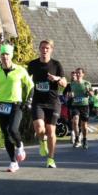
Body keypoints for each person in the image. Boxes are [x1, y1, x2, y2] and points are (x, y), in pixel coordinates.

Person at [0, 43, 34, 173]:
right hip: (2, 104)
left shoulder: (20, 70)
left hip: (16, 104)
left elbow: (30, 85)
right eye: (2, 54)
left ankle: (19, 145)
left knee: (13, 130)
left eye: (7, 54)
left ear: (11, 55)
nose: (5, 56)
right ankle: (13, 162)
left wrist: (28, 100)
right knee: (6, 135)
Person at [26, 39, 67, 168]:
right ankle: (41, 141)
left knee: (51, 131)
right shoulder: (33, 64)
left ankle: (51, 159)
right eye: (42, 48)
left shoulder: (56, 65)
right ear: (39, 49)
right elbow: (25, 79)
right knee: (39, 128)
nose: (44, 50)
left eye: (47, 48)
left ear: (51, 50)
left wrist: (57, 79)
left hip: (53, 102)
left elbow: (65, 83)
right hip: (38, 102)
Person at [66, 69, 92, 149]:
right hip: (75, 105)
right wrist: (70, 95)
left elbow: (91, 94)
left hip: (84, 105)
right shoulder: (72, 84)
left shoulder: (87, 83)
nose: (77, 74)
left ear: (83, 74)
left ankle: (84, 140)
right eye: (76, 73)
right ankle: (77, 139)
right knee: (75, 120)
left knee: (84, 125)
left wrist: (88, 91)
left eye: (79, 73)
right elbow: (68, 95)